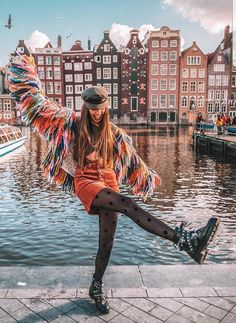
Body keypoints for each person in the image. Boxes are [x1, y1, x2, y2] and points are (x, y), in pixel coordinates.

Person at [9, 55, 220, 315]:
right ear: (85, 107)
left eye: (100, 110)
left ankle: (95, 286)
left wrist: (146, 176)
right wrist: (28, 79)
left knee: (106, 242)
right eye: (92, 110)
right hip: (86, 181)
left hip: (108, 180)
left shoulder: (115, 133)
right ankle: (185, 240)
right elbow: (40, 106)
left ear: (106, 108)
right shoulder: (72, 123)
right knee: (128, 205)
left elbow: (132, 160)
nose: (96, 114)